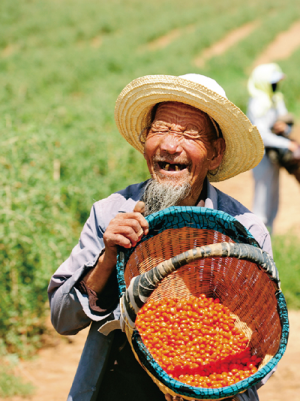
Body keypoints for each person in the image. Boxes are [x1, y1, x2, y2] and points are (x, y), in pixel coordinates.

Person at [48, 74, 272, 401]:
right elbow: (62, 318)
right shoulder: (111, 213)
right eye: (161, 130)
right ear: (145, 142)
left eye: (187, 134)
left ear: (215, 153)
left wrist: (206, 381)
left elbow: (261, 346)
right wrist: (107, 260)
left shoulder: (243, 232)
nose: (170, 145)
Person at [247, 63, 299, 233]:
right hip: (261, 156)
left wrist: (285, 128)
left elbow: (285, 122)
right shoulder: (257, 103)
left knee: (274, 195)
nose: (275, 85)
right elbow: (262, 135)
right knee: (262, 196)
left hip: (275, 155)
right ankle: (257, 237)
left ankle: (269, 237)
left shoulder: (276, 98)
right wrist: (286, 144)